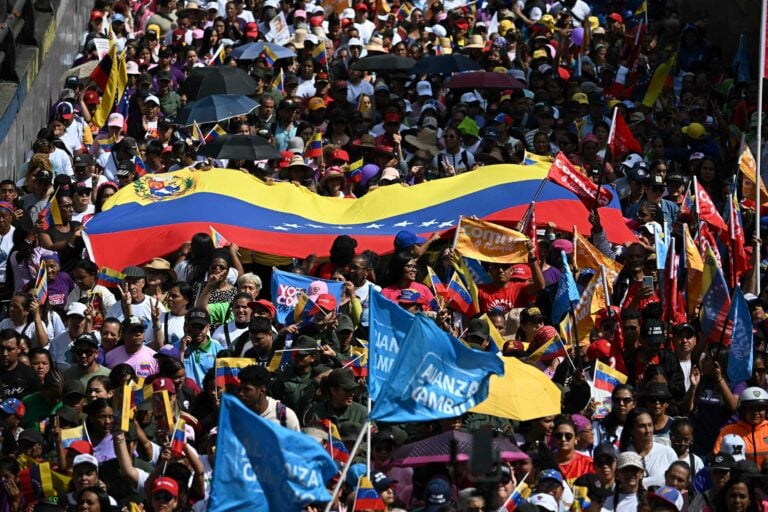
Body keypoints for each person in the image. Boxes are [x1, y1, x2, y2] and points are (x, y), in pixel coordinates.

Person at [713, 387, 768, 467]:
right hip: (739, 474)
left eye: (760, 408)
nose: (756, 412)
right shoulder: (728, 431)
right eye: (751, 408)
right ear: (743, 410)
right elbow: (717, 458)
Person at [237, 364, 300, 431]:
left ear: (262, 390)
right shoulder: (237, 414)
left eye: (247, 389)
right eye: (240, 389)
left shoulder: (285, 415)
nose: (241, 393)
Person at [0, 329, 39, 400]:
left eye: (10, 349)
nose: (4, 353)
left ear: (19, 349)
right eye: (1, 348)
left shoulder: (30, 375)